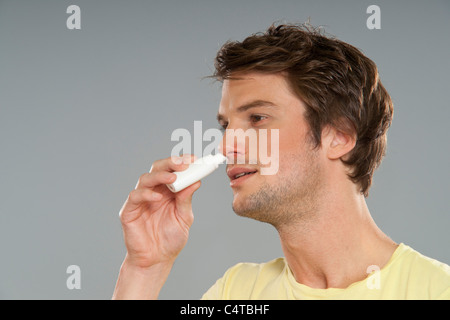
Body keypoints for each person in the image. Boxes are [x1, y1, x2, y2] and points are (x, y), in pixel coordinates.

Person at [112, 23, 450, 300]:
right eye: (226, 125)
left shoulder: (437, 290)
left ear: (339, 136)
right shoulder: (237, 294)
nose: (227, 144)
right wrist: (144, 269)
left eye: (257, 118)